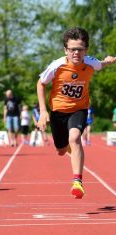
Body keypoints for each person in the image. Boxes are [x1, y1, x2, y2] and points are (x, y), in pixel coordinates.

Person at [37, 27, 116, 199]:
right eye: (72, 49)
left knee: (74, 138)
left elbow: (101, 64)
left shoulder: (90, 63)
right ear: (65, 49)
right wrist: (43, 111)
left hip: (79, 109)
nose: (76, 53)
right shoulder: (57, 66)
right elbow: (41, 83)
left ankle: (77, 182)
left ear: (86, 50)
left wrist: (109, 61)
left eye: (80, 49)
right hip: (58, 112)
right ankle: (75, 151)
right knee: (60, 149)